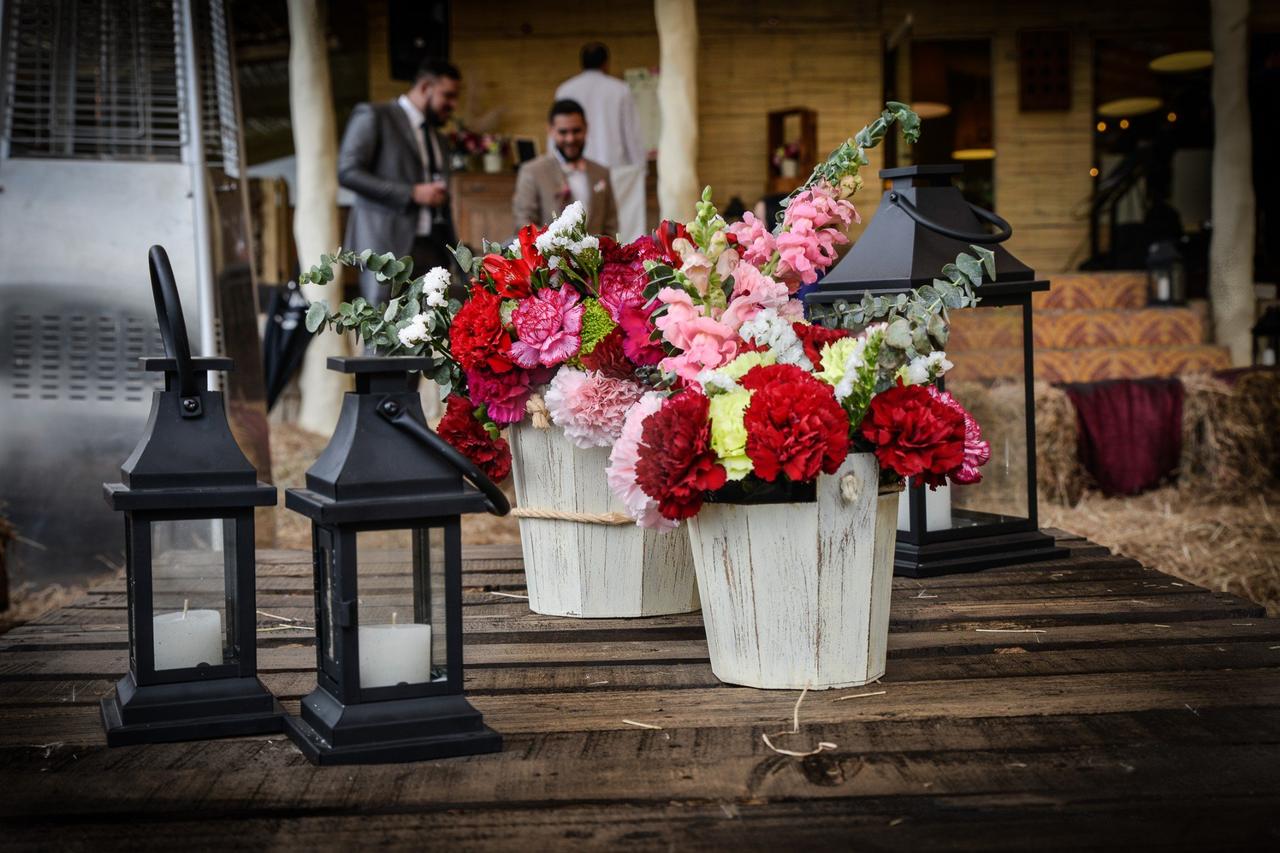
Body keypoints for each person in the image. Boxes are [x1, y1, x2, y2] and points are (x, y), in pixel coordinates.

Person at [338, 59, 461, 304]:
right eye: (448, 95)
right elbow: (348, 172)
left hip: (432, 247)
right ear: (426, 87)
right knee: (383, 334)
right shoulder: (375, 115)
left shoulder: (439, 138)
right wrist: (411, 192)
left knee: (431, 333)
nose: (453, 105)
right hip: (385, 245)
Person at [513, 99, 618, 236]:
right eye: (563, 132)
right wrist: (554, 244)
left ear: (586, 128)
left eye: (576, 131)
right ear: (551, 131)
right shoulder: (532, 171)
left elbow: (611, 226)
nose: (570, 139)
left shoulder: (601, 173)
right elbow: (523, 222)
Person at [554, 42, 644, 168]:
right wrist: (640, 166)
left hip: (575, 166)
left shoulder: (565, 90)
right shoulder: (620, 90)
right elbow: (631, 133)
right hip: (613, 167)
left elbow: (556, 133)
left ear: (582, 64)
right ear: (606, 63)